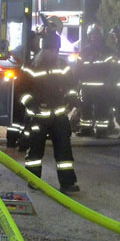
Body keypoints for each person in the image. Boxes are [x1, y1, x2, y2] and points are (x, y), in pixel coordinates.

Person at [20, 42, 79, 195]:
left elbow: (71, 85)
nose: (53, 53)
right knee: (35, 152)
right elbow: (21, 90)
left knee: (64, 151)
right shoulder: (31, 66)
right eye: (50, 49)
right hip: (38, 117)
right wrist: (30, 103)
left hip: (59, 116)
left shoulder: (63, 65)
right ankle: (33, 180)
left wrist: (72, 99)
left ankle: (67, 183)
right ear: (44, 49)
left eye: (55, 50)